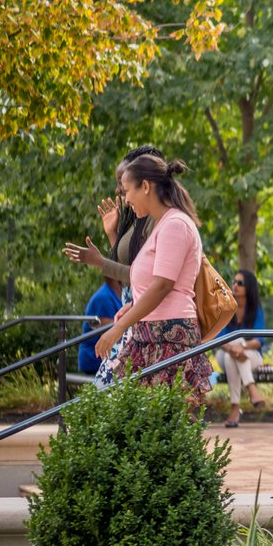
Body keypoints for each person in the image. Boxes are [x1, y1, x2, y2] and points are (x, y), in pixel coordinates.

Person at [93, 154, 212, 400]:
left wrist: (117, 329)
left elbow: (163, 286)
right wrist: (134, 305)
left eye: (127, 191)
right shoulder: (163, 224)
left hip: (169, 339)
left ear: (145, 186)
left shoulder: (175, 224)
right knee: (138, 427)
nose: (125, 199)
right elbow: (154, 283)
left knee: (164, 428)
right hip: (149, 337)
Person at [63, 144, 164, 386]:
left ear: (144, 181)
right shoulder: (135, 218)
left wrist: (100, 263)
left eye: (124, 182)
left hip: (144, 318)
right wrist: (112, 235)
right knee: (112, 395)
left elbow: (147, 279)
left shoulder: (158, 221)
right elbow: (127, 275)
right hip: (129, 311)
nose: (120, 189)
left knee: (110, 392)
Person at [216, 268, 267, 428]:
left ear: (249, 287)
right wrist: (233, 348)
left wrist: (241, 346)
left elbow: (259, 340)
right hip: (224, 353)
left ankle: (235, 408)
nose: (235, 285)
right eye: (234, 282)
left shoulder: (255, 309)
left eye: (240, 283)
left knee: (235, 352)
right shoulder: (227, 307)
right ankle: (252, 389)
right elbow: (218, 338)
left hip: (251, 356)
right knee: (231, 353)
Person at [77, 277, 123, 374]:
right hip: (95, 360)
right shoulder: (103, 298)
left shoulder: (117, 293)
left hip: (110, 358)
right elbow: (109, 330)